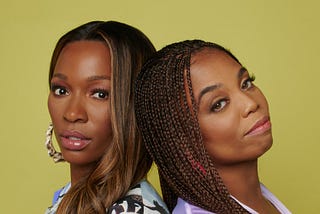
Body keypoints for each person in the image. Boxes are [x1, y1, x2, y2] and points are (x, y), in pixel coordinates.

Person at [134, 40, 291, 214]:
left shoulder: (256, 197)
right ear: (183, 142)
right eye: (219, 104)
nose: (250, 104)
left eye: (246, 83)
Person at [44, 20, 169, 214]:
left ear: (135, 104)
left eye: (100, 94)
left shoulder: (133, 210)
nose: (72, 113)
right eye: (61, 90)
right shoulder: (70, 196)